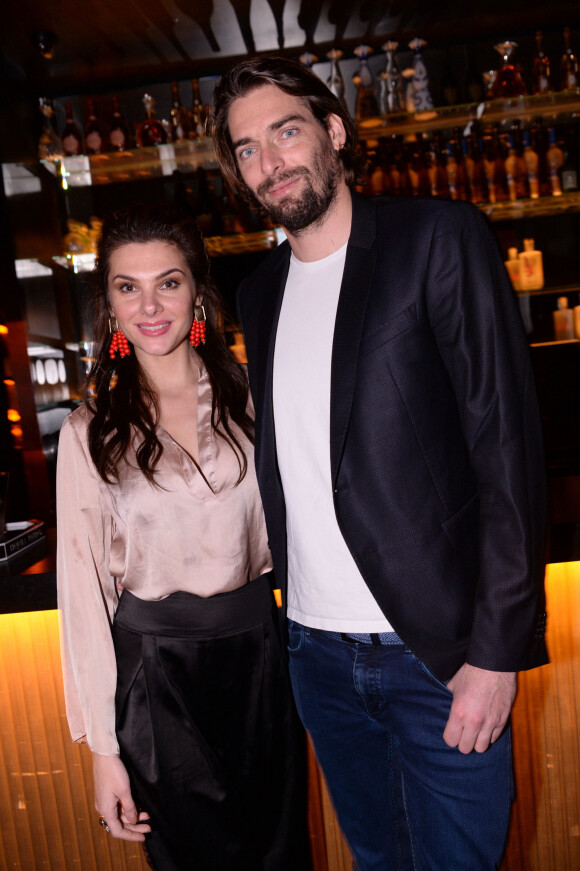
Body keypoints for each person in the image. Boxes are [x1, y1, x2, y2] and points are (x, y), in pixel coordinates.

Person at [210, 56, 549, 871]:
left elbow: (507, 452)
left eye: (286, 132)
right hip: (318, 658)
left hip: (435, 653)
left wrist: (496, 652)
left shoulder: (436, 237)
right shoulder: (256, 294)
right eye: (247, 149)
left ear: (332, 131)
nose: (271, 161)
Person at [56, 203, 312, 871]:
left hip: (263, 658)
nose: (150, 305)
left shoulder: (256, 396)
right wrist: (104, 753)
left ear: (197, 291)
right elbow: (82, 595)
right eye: (127, 286)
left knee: (281, 855)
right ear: (108, 305)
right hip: (158, 675)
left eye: (168, 282)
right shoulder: (89, 431)